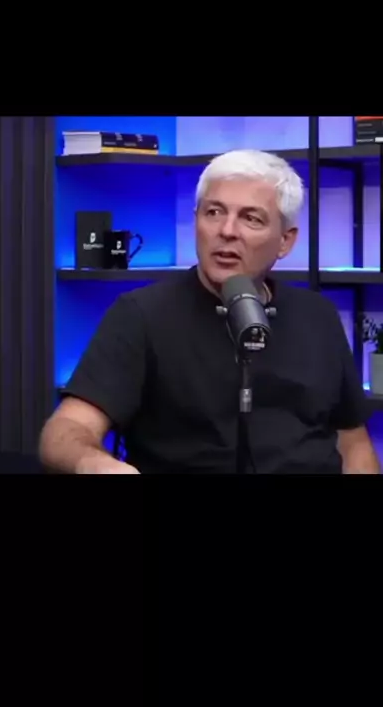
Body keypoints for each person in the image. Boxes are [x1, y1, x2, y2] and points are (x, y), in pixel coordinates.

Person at [39, 149, 381, 474]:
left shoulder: (318, 315)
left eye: (251, 218)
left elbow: (353, 443)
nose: (226, 231)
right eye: (214, 212)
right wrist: (94, 463)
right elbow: (66, 429)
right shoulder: (142, 315)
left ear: (285, 241)